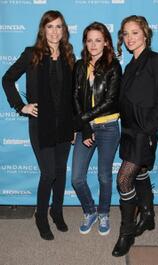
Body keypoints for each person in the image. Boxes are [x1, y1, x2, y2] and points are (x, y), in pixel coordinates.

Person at [2, 10, 75, 240]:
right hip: (40, 124)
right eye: (50, 26)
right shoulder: (31, 54)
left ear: (64, 31)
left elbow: (71, 95)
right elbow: (7, 79)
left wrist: (74, 126)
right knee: (49, 173)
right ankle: (41, 216)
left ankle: (57, 210)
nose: (54, 31)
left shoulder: (69, 56)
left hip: (64, 124)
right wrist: (20, 106)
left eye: (59, 26)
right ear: (43, 30)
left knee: (61, 172)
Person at [112, 15, 158, 257]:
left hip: (143, 131)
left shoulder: (157, 60)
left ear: (145, 34)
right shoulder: (129, 66)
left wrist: (149, 131)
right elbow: (122, 102)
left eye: (134, 32)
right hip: (127, 130)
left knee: (124, 180)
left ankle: (126, 233)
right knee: (141, 173)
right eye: (125, 34)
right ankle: (148, 216)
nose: (130, 38)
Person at [72, 22, 122, 236]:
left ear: (106, 42)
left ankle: (103, 213)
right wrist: (84, 126)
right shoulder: (79, 65)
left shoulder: (113, 66)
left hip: (109, 127)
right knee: (76, 178)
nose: (93, 44)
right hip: (86, 128)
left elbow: (111, 101)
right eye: (89, 40)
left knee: (104, 176)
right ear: (85, 42)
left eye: (98, 40)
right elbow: (74, 96)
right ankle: (90, 211)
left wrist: (82, 118)